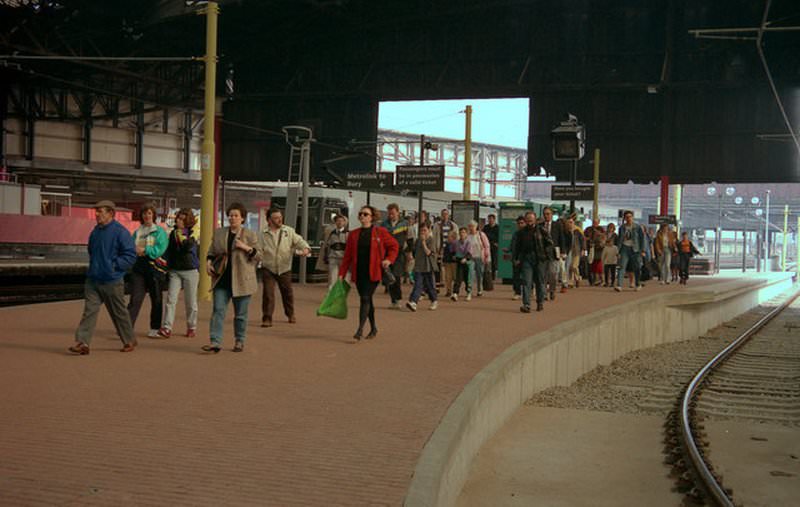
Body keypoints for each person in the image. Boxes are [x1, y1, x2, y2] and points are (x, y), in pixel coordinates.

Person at [69, 200, 138, 355]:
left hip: (112, 280)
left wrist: (113, 266)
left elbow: (130, 255)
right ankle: (83, 342)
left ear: (111, 213)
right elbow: (91, 250)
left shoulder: (121, 232)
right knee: (89, 311)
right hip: (93, 279)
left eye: (101, 211)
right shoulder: (95, 232)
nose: (97, 214)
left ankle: (129, 340)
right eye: (97, 211)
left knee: (118, 312)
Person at [203, 203, 261, 353]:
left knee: (240, 314)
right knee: (218, 310)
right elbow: (212, 251)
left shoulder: (250, 235)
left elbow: (259, 256)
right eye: (230, 215)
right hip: (222, 278)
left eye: (236, 215)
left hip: (242, 280)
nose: (232, 218)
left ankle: (239, 340)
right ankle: (215, 342)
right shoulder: (219, 233)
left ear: (242, 218)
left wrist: (245, 247)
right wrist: (208, 263)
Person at [339, 205, 399, 341]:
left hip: (374, 272)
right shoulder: (353, 234)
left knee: (365, 299)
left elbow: (394, 246)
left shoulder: (380, 232)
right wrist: (341, 274)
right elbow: (347, 256)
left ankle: (359, 330)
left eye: (365, 214)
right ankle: (373, 328)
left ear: (372, 217)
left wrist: (389, 260)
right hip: (359, 272)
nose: (362, 216)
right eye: (361, 214)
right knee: (368, 300)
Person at [258, 208, 310, 327]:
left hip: (285, 268)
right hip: (268, 268)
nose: (279, 220)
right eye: (276, 218)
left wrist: (305, 248)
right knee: (268, 294)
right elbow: (258, 249)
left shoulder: (289, 231)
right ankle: (267, 318)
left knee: (287, 293)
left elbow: (299, 241)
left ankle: (290, 313)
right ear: (269, 220)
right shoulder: (262, 234)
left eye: (280, 217)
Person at [128, 203, 168, 338]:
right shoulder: (137, 232)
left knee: (156, 298)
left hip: (154, 267)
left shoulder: (160, 232)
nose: (147, 216)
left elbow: (160, 249)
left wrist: (145, 250)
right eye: (145, 213)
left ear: (154, 215)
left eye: (150, 213)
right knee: (135, 298)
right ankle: (127, 327)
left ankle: (155, 328)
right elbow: (131, 248)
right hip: (138, 266)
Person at [159, 208, 199, 338]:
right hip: (175, 270)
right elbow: (169, 251)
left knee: (191, 301)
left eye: (182, 219)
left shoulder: (193, 233)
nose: (179, 221)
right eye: (178, 218)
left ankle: (191, 327)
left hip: (191, 270)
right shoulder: (173, 234)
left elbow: (188, 246)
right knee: (171, 299)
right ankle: (167, 327)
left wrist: (181, 236)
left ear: (188, 221)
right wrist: (165, 264)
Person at [513, 211, 554, 312]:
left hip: (539, 259)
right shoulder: (521, 233)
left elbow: (550, 243)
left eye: (531, 220)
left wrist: (545, 254)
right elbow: (517, 247)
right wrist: (516, 258)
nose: (529, 222)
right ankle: (526, 305)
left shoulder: (541, 230)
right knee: (526, 282)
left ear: (535, 219)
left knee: (539, 281)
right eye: (528, 220)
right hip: (526, 259)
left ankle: (540, 302)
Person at [381, 203, 410, 309]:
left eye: (393, 213)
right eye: (389, 214)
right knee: (389, 277)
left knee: (397, 276)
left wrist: (409, 252)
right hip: (387, 253)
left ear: (398, 212)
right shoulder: (384, 224)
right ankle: (393, 300)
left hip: (399, 253)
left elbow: (409, 238)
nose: (391, 216)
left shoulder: (405, 224)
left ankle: (398, 299)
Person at [406, 223, 439, 311]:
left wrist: (424, 243)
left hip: (428, 266)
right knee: (418, 285)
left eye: (425, 230)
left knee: (430, 285)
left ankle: (434, 300)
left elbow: (429, 253)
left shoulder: (431, 240)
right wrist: (411, 255)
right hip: (418, 266)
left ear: (429, 231)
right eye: (421, 231)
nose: (423, 233)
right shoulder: (417, 240)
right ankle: (413, 302)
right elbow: (414, 251)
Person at [614, 210, 646, 292]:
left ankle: (637, 284)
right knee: (622, 267)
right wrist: (618, 251)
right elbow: (619, 240)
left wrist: (643, 250)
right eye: (627, 217)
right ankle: (619, 285)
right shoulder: (622, 228)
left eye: (630, 217)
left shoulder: (637, 227)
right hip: (624, 248)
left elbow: (642, 239)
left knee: (636, 267)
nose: (629, 219)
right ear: (624, 218)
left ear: (633, 218)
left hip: (635, 249)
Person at [321, 214, 348, 289]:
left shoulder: (347, 233)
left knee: (343, 278)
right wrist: (326, 256)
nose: (339, 222)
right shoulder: (332, 233)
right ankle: (331, 297)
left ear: (344, 222)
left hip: (343, 258)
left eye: (341, 221)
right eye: (338, 221)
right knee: (332, 278)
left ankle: (341, 296)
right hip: (333, 257)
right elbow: (328, 245)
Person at [540, 207, 561, 300]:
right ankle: (544, 293)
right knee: (543, 274)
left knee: (553, 273)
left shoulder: (557, 225)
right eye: (545, 214)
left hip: (553, 253)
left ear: (552, 215)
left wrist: (563, 251)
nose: (546, 216)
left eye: (548, 214)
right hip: (542, 253)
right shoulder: (540, 226)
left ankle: (552, 290)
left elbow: (561, 238)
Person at [466, 220, 491, 296]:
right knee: (470, 274)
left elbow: (486, 246)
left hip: (480, 257)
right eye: (470, 226)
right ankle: (469, 290)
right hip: (471, 257)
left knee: (479, 274)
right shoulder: (467, 236)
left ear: (476, 227)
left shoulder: (481, 235)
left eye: (472, 226)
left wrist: (487, 257)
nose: (471, 228)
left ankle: (480, 289)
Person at [450, 227, 473, 301]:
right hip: (459, 261)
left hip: (467, 262)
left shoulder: (468, 242)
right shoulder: (456, 242)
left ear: (466, 234)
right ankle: (455, 293)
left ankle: (469, 293)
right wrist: (453, 256)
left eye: (463, 232)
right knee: (458, 278)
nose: (462, 234)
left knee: (467, 279)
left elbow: (469, 253)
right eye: (460, 232)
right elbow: (452, 250)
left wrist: (465, 258)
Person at [508, 215, 527, 300]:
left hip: (525, 258)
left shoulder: (527, 234)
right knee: (516, 276)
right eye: (518, 223)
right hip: (515, 257)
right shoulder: (515, 234)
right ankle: (517, 292)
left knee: (526, 276)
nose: (520, 225)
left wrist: (520, 259)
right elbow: (512, 244)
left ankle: (528, 291)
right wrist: (508, 250)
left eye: (522, 223)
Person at [584, 219, 605, 286]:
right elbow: (584, 237)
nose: (595, 223)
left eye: (596, 222)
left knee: (598, 263)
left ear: (599, 222)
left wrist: (599, 235)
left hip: (599, 249)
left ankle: (599, 279)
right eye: (594, 222)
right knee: (590, 264)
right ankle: (592, 280)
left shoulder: (601, 229)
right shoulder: (588, 229)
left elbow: (604, 237)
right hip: (590, 248)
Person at [441, 230, 459, 297]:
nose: (448, 238)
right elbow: (445, 253)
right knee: (447, 277)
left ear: (453, 237)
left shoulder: (456, 243)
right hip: (447, 262)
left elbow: (456, 252)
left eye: (449, 236)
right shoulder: (447, 244)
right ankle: (448, 290)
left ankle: (455, 291)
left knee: (454, 277)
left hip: (454, 262)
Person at [483, 213, 499, 278]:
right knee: (486, 260)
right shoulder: (486, 227)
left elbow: (499, 236)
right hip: (486, 246)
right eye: (489, 219)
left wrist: (497, 243)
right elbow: (483, 235)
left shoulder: (497, 227)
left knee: (494, 260)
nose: (490, 220)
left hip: (494, 246)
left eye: (491, 219)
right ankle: (486, 273)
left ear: (494, 220)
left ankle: (493, 274)